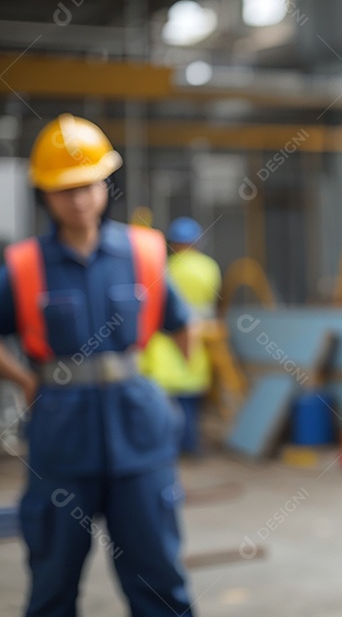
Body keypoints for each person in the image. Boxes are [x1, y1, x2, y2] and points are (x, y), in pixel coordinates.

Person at [0, 114, 196, 616]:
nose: (79, 199)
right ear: (45, 193)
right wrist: (25, 378)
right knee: (52, 587)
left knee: (159, 583)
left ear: (106, 184)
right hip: (60, 445)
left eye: (88, 185)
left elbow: (181, 322)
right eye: (65, 189)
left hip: (140, 440)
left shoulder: (146, 253)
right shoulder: (23, 266)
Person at [142, 216, 222, 456]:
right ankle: (191, 446)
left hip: (165, 341)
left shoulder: (166, 267)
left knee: (166, 403)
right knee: (190, 401)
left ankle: (169, 447)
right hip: (197, 335)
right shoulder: (210, 267)